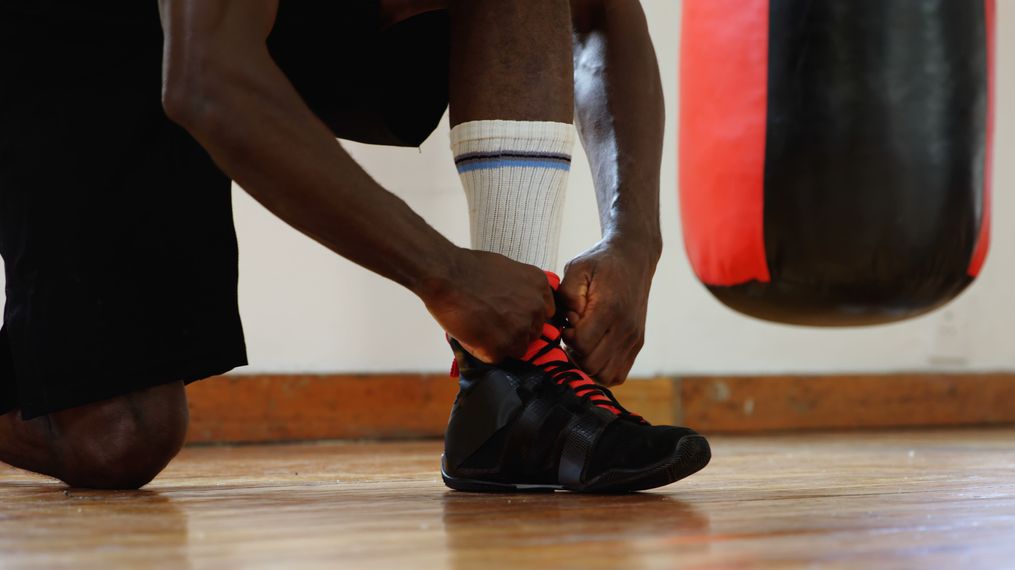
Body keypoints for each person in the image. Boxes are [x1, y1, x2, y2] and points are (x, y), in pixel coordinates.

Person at [0, 0, 709, 491]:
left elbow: (603, 15)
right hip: (80, 28)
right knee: (119, 439)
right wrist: (446, 275)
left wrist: (634, 238)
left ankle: (513, 389)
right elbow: (207, 81)